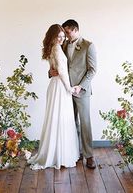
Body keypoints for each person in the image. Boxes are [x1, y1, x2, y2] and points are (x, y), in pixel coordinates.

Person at [28, 24, 79, 170]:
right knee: (60, 118)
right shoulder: (56, 48)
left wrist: (52, 73)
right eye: (59, 36)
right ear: (53, 36)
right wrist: (69, 88)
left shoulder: (53, 48)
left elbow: (54, 69)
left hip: (55, 85)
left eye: (63, 36)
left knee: (55, 118)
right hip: (60, 87)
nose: (62, 39)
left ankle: (56, 153)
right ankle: (59, 155)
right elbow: (62, 71)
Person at [52, 19, 97, 169]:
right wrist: (50, 72)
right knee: (70, 123)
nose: (65, 35)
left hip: (81, 91)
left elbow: (92, 70)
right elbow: (59, 64)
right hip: (65, 90)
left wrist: (81, 86)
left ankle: (89, 156)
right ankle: (75, 153)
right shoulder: (63, 44)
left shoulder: (88, 45)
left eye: (67, 32)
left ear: (75, 29)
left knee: (85, 123)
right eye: (64, 32)